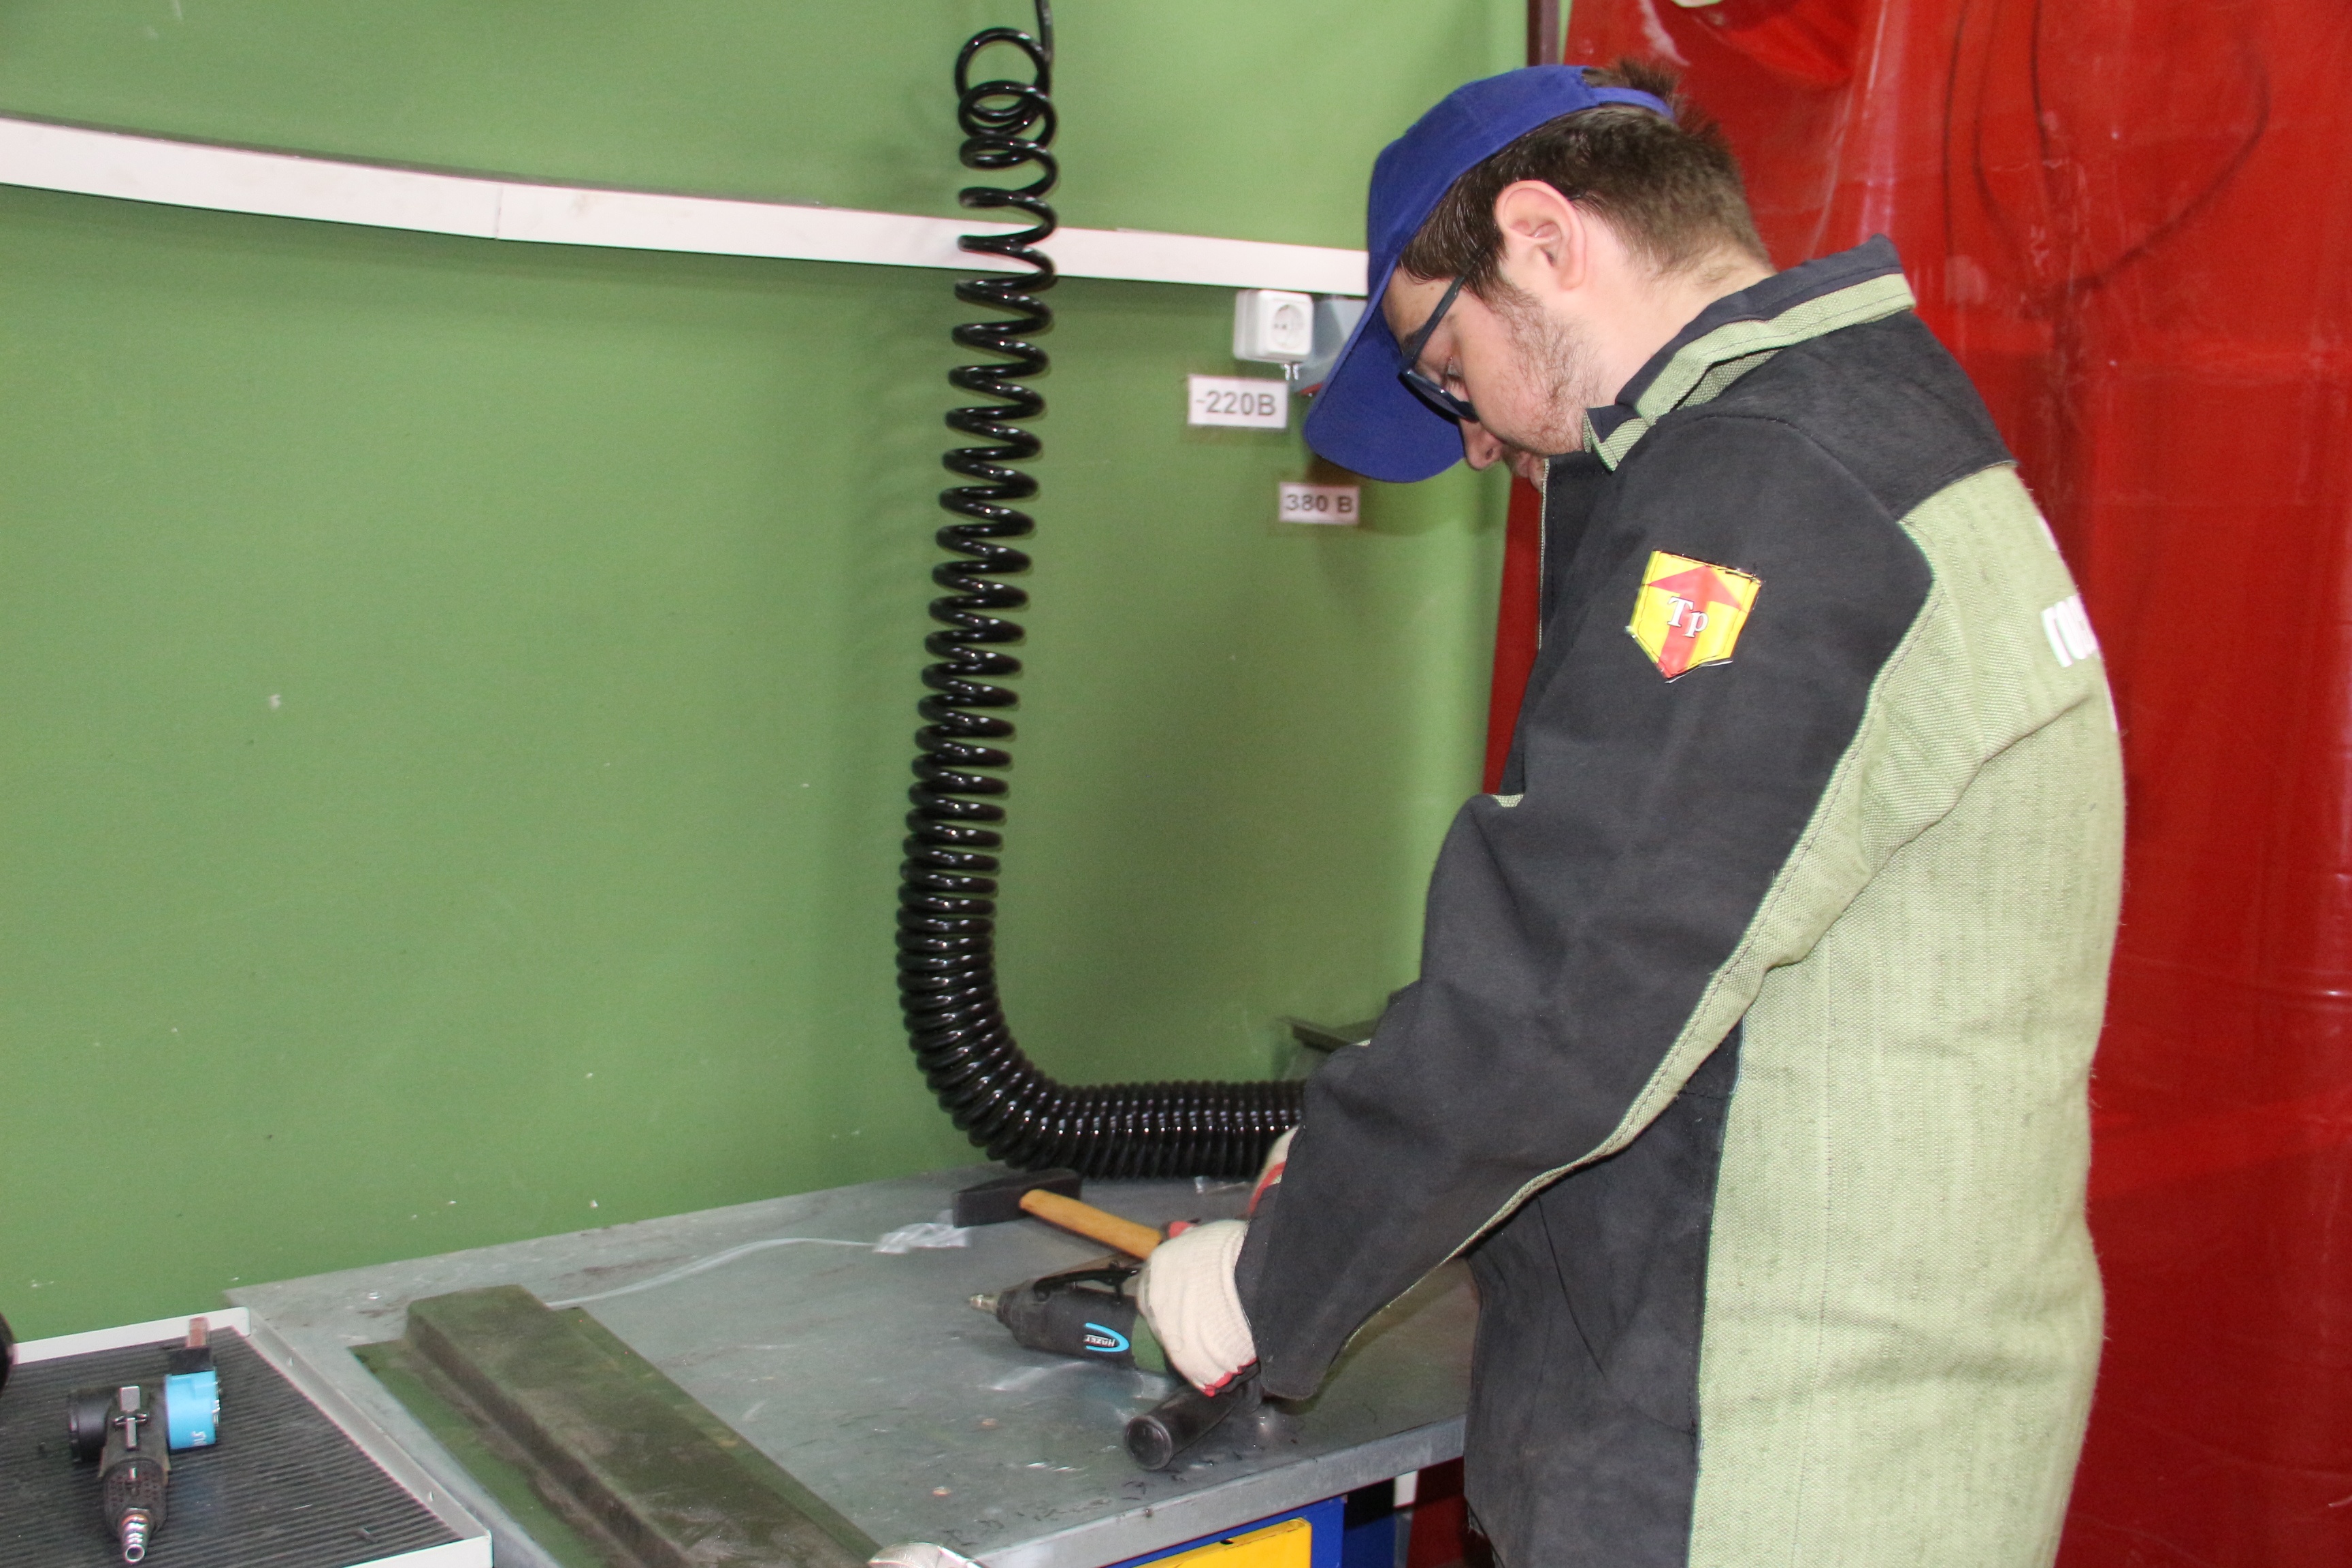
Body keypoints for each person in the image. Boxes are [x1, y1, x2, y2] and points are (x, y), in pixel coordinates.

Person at [1132, 61, 2124, 1568]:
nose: (1473, 436)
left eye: (1441, 365)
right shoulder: (1866, 427)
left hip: (1771, 1453)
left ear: (1541, 238)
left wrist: (1274, 1283)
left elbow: (1566, 977)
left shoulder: (1771, 488)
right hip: (1854, 1402)